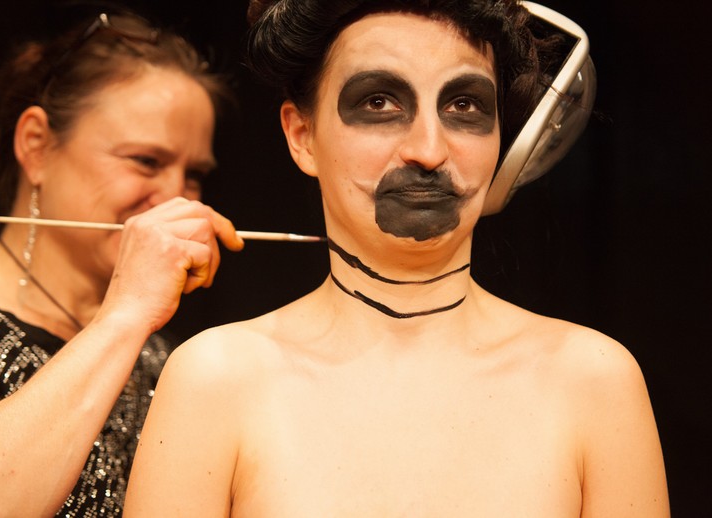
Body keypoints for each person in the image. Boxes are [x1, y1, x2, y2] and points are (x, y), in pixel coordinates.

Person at [124, 0, 670, 516]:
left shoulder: (593, 382)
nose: (428, 150)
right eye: (379, 102)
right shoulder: (216, 382)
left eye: (464, 106)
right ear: (302, 135)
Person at [0, 8, 243, 517]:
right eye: (146, 161)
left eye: (193, 175)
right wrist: (126, 314)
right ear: (36, 146)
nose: (176, 200)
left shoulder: (164, 361)